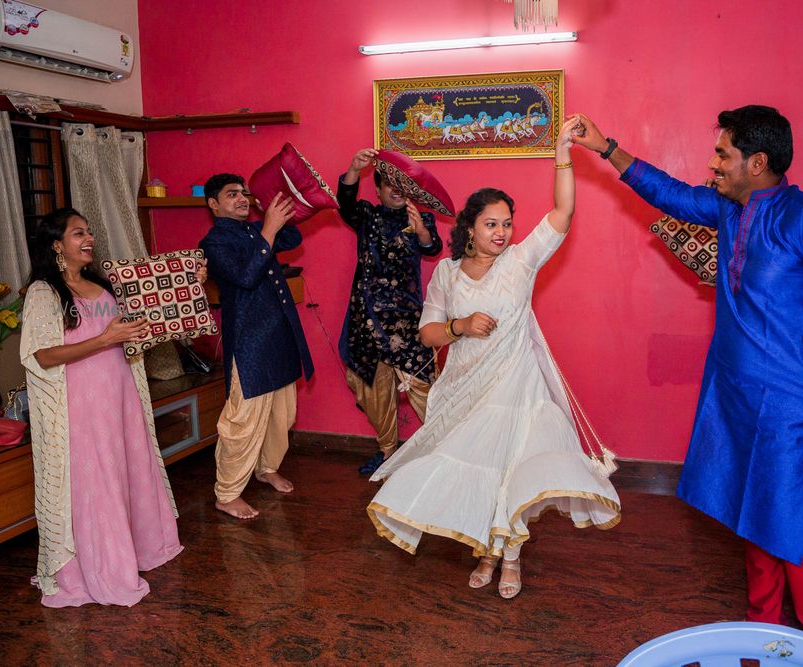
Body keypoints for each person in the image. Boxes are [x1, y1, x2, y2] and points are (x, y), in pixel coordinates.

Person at [571, 106, 803, 643]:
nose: (713, 163)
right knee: (756, 525)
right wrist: (606, 147)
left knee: (798, 536)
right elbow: (670, 193)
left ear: (758, 162)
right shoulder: (730, 209)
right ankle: (763, 642)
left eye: (723, 154)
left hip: (797, 413)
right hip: (738, 400)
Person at [367, 117, 621, 599]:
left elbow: (563, 212)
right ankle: (487, 547)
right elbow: (428, 335)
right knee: (474, 469)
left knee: (509, 469)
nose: (502, 232)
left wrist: (561, 155)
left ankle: (509, 559)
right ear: (470, 227)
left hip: (516, 387)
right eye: (492, 224)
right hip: (465, 388)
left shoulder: (521, 262)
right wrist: (461, 327)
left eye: (507, 223)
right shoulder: (446, 273)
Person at [20, 207, 189, 607]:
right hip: (82, 403)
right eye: (79, 233)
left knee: (128, 468)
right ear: (57, 245)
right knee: (97, 480)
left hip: (121, 394)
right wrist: (105, 339)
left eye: (89, 230)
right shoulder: (45, 292)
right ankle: (101, 568)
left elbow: (126, 331)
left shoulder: (103, 284)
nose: (89, 238)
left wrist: (163, 309)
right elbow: (42, 355)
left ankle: (139, 551)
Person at [199, 174, 314, 519]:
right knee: (243, 419)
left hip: (278, 335)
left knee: (282, 414)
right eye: (231, 194)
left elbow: (291, 236)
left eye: (243, 193)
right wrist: (268, 229)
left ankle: (266, 467)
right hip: (250, 342)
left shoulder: (252, 229)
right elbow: (246, 276)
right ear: (213, 204)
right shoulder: (214, 242)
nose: (240, 199)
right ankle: (227, 492)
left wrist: (271, 218)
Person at [336, 149, 443, 475]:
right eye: (390, 185)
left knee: (424, 385)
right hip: (366, 319)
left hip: (406, 318)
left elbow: (433, 247)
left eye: (403, 185)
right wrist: (354, 166)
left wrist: (421, 231)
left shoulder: (422, 219)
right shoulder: (367, 215)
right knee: (373, 390)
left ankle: (446, 451)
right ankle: (387, 451)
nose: (397, 190)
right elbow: (346, 204)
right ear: (379, 190)